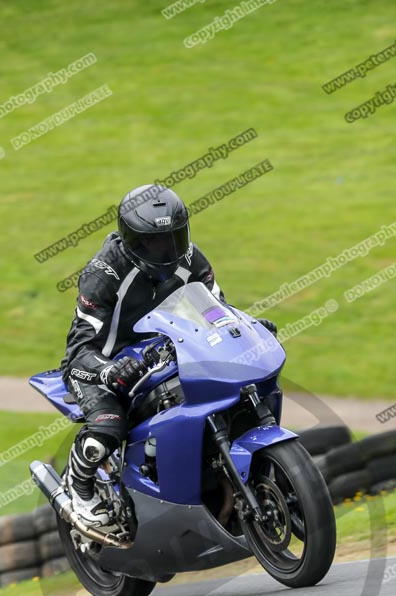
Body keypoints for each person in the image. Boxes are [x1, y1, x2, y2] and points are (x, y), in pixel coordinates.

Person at [60, 184, 277, 527]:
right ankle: (79, 484)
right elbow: (80, 347)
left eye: (173, 238)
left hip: (164, 351)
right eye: (154, 242)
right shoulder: (104, 274)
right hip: (97, 363)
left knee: (231, 388)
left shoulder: (191, 258)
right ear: (132, 240)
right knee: (109, 425)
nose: (166, 249)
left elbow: (217, 311)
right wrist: (108, 370)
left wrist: (248, 329)